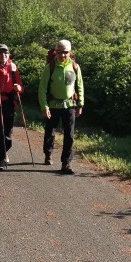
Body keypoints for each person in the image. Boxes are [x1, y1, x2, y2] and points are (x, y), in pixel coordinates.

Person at [38, 39, 84, 174]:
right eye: (59, 52)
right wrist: (44, 107)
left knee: (69, 135)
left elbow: (80, 86)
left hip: (69, 105)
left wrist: (80, 104)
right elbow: (42, 89)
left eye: (65, 52)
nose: (62, 55)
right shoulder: (50, 67)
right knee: (49, 131)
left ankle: (66, 163)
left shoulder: (75, 67)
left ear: (70, 52)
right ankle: (48, 153)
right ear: (55, 51)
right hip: (53, 105)